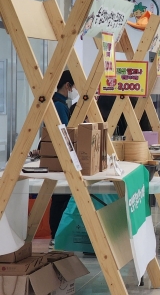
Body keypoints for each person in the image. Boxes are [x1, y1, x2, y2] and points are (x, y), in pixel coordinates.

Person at [48, 71, 77, 250]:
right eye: (74, 86)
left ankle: (56, 236)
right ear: (67, 85)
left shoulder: (55, 103)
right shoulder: (59, 105)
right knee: (60, 198)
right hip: (60, 158)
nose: (74, 90)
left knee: (60, 197)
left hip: (57, 156)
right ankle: (56, 237)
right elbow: (66, 133)